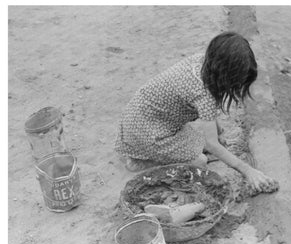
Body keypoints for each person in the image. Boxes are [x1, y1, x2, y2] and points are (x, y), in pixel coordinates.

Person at [115, 31, 277, 192]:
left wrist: (219, 133)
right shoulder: (203, 94)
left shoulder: (203, 62)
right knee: (200, 161)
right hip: (148, 132)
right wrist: (248, 170)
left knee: (202, 145)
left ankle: (147, 154)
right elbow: (212, 144)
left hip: (139, 116)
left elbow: (209, 118)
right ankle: (145, 162)